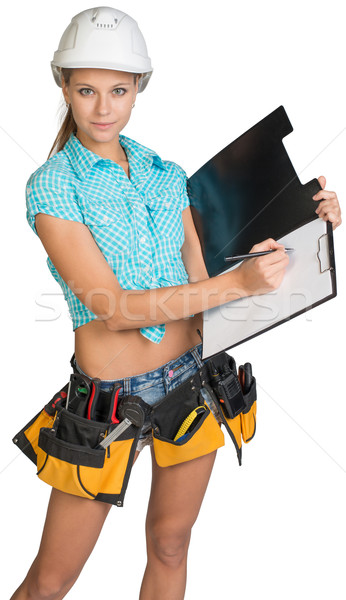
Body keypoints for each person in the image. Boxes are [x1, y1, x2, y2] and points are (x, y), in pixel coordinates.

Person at [11, 6, 342, 600]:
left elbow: (204, 284)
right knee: (51, 581)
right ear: (63, 85)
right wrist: (235, 287)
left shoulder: (168, 176)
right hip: (108, 402)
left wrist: (304, 225)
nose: (103, 107)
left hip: (194, 381)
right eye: (86, 90)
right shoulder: (54, 184)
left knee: (171, 543)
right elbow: (111, 307)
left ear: (139, 89)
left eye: (118, 90)